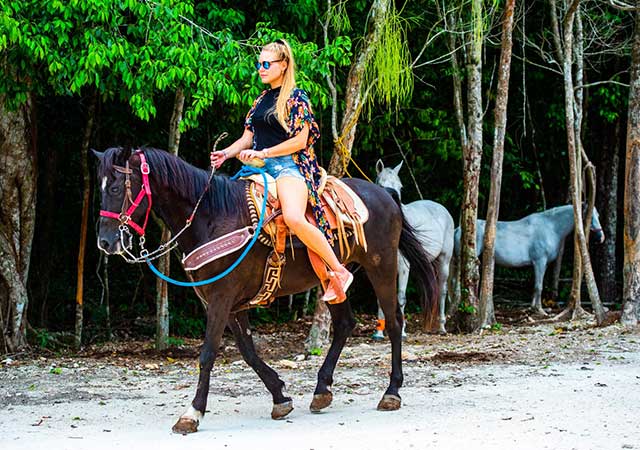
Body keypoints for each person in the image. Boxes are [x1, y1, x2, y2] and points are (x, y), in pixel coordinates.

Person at [210, 39, 353, 302]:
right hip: (260, 168)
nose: (260, 69)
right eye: (258, 64)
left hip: (290, 167)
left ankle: (339, 270)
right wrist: (227, 153)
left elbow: (300, 141)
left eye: (266, 64)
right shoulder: (261, 99)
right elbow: (247, 137)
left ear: (284, 65)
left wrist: (264, 153)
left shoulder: (297, 97)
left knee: (294, 217)